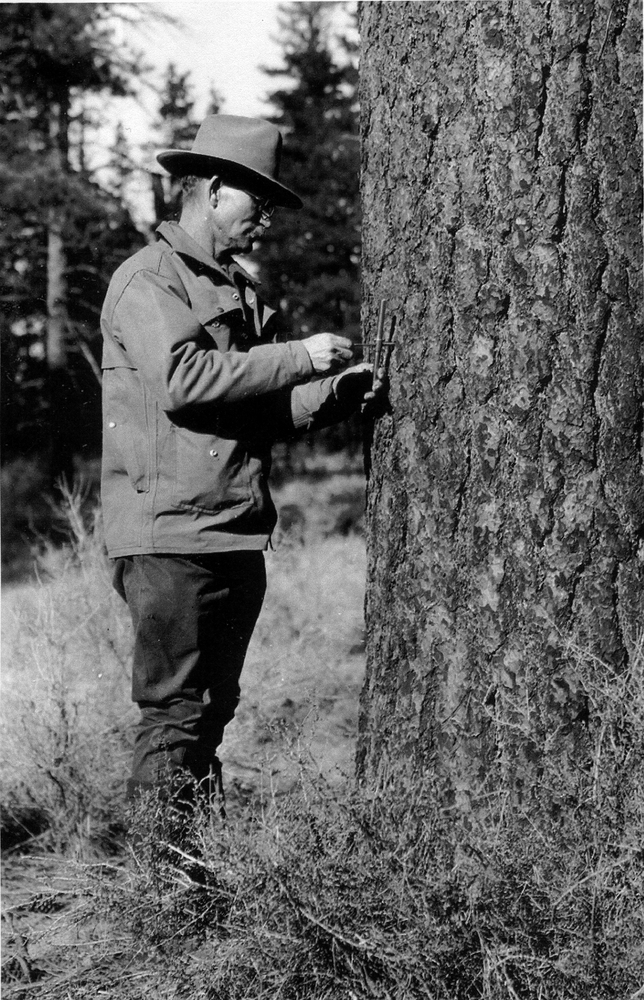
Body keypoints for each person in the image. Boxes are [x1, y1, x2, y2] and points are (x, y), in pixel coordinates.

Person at [100, 114, 382, 811]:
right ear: (216, 188)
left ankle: (187, 868)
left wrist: (331, 396)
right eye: (259, 203)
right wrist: (297, 356)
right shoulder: (148, 281)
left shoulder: (241, 292)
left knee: (210, 712)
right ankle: (159, 896)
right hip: (170, 540)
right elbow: (184, 380)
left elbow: (253, 409)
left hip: (232, 529)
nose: (266, 222)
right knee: (176, 716)